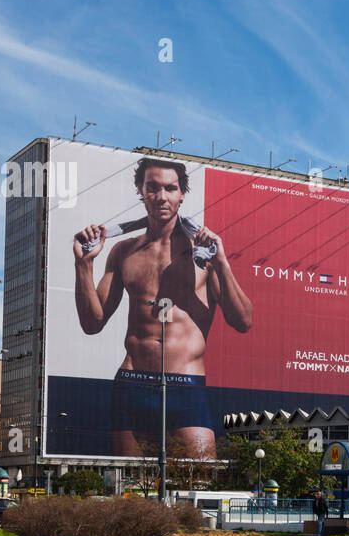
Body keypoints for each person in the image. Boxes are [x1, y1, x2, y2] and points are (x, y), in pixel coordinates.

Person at [73, 158, 253, 458]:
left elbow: (243, 321)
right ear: (141, 191)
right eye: (152, 188)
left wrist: (221, 263)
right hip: (132, 382)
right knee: (129, 486)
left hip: (185, 384)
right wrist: (83, 265)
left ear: (182, 193)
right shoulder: (123, 251)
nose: (161, 197)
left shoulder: (204, 254)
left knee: (198, 480)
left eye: (170, 188)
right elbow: (92, 323)